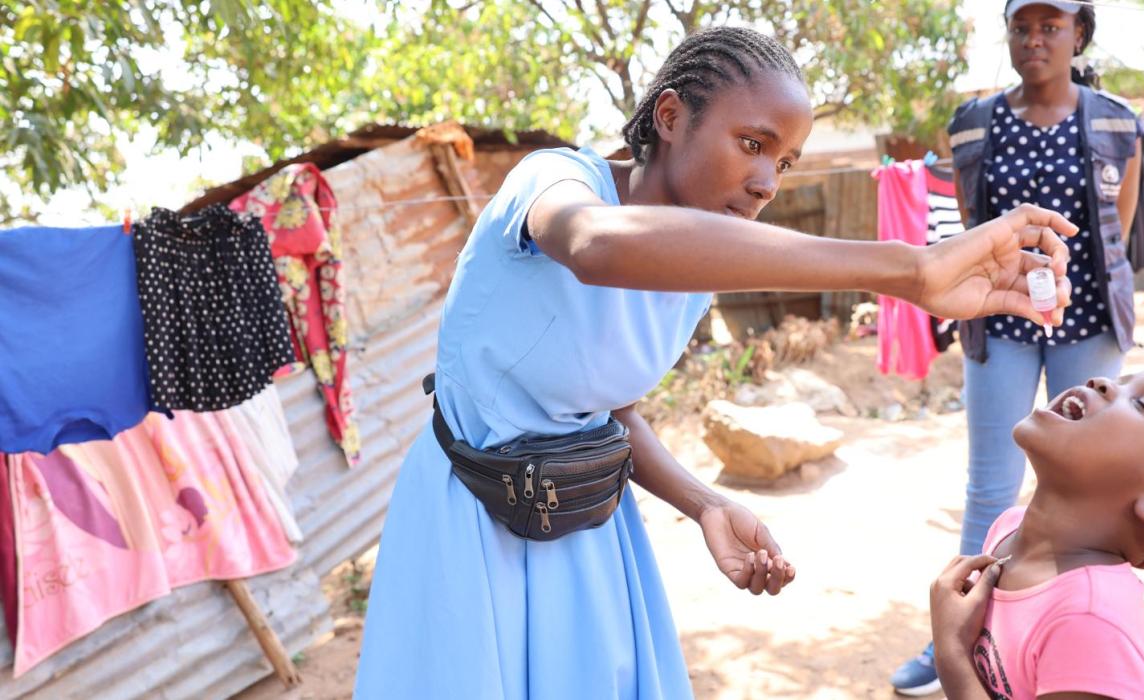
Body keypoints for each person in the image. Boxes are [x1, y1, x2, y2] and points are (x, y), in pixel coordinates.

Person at [355, 26, 1079, 699]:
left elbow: (600, 410)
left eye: (785, 161)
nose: (768, 181)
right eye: (752, 143)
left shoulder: (698, 266)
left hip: (579, 532)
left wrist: (706, 505)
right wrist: (907, 270)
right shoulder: (555, 181)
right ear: (671, 116)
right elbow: (594, 246)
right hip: (472, 522)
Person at [892, 1, 1144, 692]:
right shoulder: (974, 124)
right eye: (1021, 26)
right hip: (1000, 321)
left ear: (1078, 34)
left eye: (1051, 26)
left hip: (1087, 319)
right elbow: (975, 231)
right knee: (991, 486)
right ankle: (958, 636)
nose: (1034, 39)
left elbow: (1114, 232)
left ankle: (1076, 644)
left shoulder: (1119, 120)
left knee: (1089, 488)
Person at [927, 368, 1144, 698]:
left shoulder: (1092, 625)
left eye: (1142, 404)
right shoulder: (1008, 527)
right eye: (1123, 379)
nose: (1101, 382)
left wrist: (951, 652)